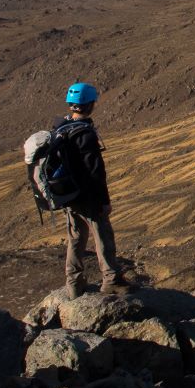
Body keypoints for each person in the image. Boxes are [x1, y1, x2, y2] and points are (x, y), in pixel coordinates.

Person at [54, 82, 130, 296]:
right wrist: (103, 202)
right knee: (102, 235)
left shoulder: (61, 128)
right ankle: (111, 279)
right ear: (89, 104)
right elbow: (95, 173)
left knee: (76, 238)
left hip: (69, 195)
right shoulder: (85, 134)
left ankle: (74, 284)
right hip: (88, 197)